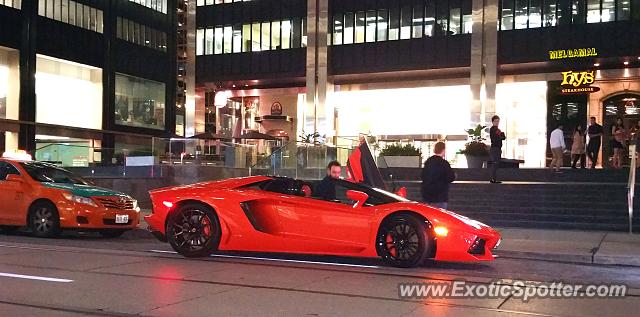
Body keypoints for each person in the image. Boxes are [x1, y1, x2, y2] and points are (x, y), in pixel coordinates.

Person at [421, 142, 456, 209]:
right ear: (443, 150)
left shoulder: (428, 162)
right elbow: (450, 177)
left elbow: (423, 175)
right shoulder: (444, 163)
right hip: (440, 196)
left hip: (427, 195)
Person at [489, 115, 506, 184]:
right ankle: (493, 178)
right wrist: (501, 135)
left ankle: (494, 178)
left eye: (498, 121)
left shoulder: (497, 129)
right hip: (495, 148)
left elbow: (503, 137)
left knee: (496, 163)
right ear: (492, 122)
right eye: (495, 121)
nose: (497, 122)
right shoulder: (494, 129)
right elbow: (499, 137)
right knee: (495, 163)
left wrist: (501, 135)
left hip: (497, 148)